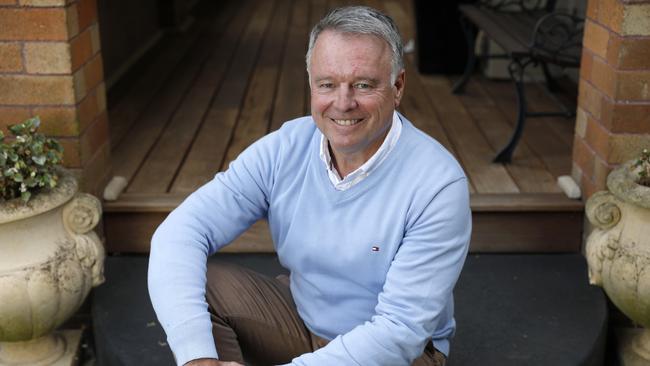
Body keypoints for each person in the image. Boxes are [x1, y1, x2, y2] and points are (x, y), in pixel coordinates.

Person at [148, 6, 471, 366]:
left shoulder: (438, 184)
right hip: (300, 322)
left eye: (363, 84)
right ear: (311, 85)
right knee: (193, 282)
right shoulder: (285, 147)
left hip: (398, 353)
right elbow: (180, 232)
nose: (343, 103)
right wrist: (198, 358)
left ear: (397, 87)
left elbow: (398, 332)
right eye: (327, 84)